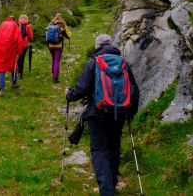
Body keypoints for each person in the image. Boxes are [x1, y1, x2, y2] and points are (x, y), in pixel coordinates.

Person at [65, 34, 140, 196]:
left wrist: (69, 95)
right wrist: (130, 113)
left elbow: (81, 89)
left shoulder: (93, 62)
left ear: (97, 47)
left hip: (97, 113)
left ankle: (107, 191)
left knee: (99, 150)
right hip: (119, 113)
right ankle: (112, 184)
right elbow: (134, 92)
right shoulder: (123, 64)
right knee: (114, 147)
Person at [0, 16, 23, 94]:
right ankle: (14, 83)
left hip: (0, 50)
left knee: (1, 68)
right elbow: (19, 41)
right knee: (14, 65)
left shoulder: (1, 25)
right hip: (11, 50)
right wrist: (19, 52)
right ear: (14, 20)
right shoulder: (15, 26)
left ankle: (1, 89)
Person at [46, 13, 71, 83]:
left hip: (50, 45)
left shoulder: (51, 24)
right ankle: (55, 77)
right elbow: (69, 35)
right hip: (58, 46)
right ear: (61, 18)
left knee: (54, 59)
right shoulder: (62, 25)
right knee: (57, 60)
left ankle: (53, 73)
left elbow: (46, 33)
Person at [15, 14, 34, 79]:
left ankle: (15, 73)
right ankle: (20, 74)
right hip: (24, 44)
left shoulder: (17, 25)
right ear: (26, 19)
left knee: (17, 59)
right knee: (22, 59)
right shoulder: (28, 26)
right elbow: (31, 37)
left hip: (17, 44)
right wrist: (29, 38)